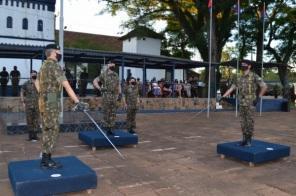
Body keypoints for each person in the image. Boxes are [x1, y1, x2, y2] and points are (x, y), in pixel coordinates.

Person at [35, 44, 88, 169]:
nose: (59, 53)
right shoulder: (54, 66)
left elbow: (37, 82)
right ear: (53, 52)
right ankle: (46, 159)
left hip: (44, 99)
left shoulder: (43, 66)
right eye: (58, 51)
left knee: (47, 128)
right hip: (52, 99)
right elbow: (66, 85)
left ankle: (45, 157)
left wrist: (43, 94)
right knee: (52, 129)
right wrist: (77, 101)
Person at [221, 61, 267, 146]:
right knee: (242, 122)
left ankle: (249, 140)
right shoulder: (239, 77)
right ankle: (244, 139)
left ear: (249, 66)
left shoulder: (254, 76)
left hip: (251, 102)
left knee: (249, 121)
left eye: (245, 65)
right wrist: (223, 96)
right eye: (242, 65)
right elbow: (232, 88)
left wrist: (259, 97)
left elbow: (264, 86)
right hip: (242, 102)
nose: (243, 66)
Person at [93, 61, 121, 135]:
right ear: (108, 65)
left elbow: (118, 85)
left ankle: (111, 128)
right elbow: (95, 81)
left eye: (114, 64)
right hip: (106, 96)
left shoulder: (116, 75)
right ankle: (107, 128)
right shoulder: (104, 75)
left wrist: (120, 93)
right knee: (107, 112)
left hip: (114, 96)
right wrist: (99, 88)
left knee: (113, 112)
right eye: (111, 64)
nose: (113, 65)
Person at [20, 70, 40, 142]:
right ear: (30, 75)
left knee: (36, 120)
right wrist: (23, 102)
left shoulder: (39, 83)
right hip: (29, 105)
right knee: (29, 120)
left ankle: (35, 136)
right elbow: (22, 92)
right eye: (32, 74)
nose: (34, 75)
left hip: (37, 105)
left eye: (35, 74)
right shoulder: (26, 83)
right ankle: (30, 136)